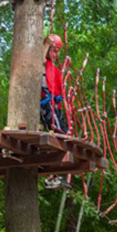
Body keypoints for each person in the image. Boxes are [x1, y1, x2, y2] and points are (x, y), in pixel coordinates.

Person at [41, 34, 70, 190]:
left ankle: (55, 175)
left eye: (58, 51)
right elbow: (40, 59)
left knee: (64, 134)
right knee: (58, 134)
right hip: (47, 105)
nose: (56, 54)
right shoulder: (42, 65)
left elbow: (61, 93)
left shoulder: (54, 69)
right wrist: (46, 45)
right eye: (54, 50)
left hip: (55, 106)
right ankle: (52, 175)